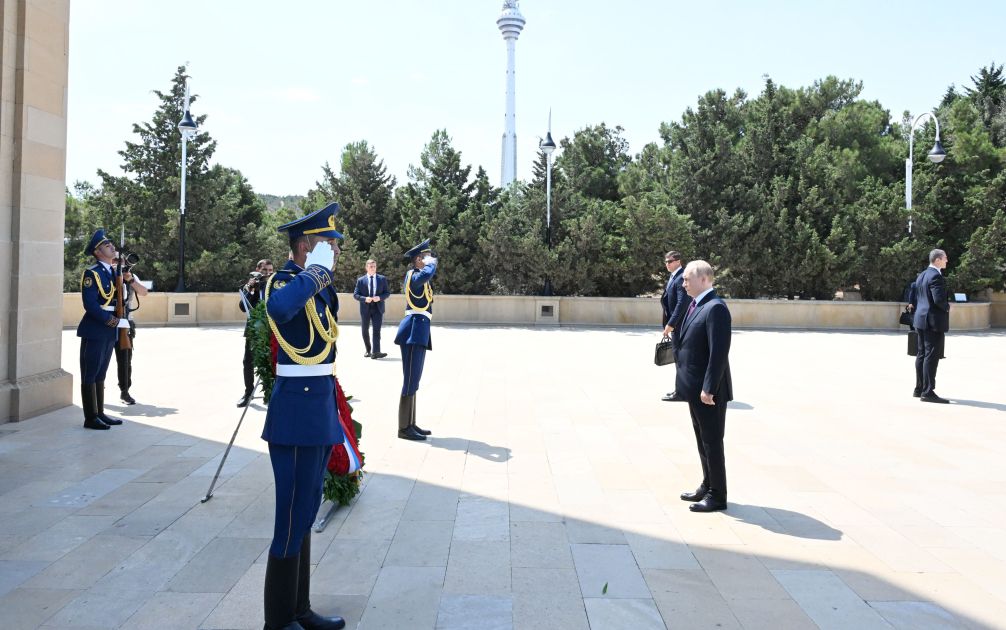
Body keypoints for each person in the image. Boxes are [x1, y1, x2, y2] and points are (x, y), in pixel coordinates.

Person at [260, 203, 346, 630]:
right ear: (307, 246)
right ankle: (277, 622)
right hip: (295, 408)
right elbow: (279, 310)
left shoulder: (316, 284)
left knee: (307, 508)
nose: (335, 252)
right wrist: (314, 272)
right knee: (290, 515)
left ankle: (299, 609)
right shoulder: (286, 279)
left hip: (318, 404)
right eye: (328, 244)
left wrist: (318, 277)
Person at [675, 260, 733, 513]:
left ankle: (718, 495)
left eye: (687, 279)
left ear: (704, 279)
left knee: (712, 441)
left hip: (708, 392)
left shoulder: (716, 308)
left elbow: (718, 353)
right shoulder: (697, 304)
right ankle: (707, 485)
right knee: (702, 441)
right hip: (695, 390)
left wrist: (708, 388)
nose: (683, 283)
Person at [76, 229, 133, 430]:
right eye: (107, 245)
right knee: (90, 373)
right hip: (95, 328)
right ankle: (90, 417)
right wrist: (112, 321)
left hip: (110, 330)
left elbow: (120, 300)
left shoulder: (114, 272)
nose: (112, 246)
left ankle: (99, 413)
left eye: (111, 244)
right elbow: (90, 305)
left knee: (101, 373)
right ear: (98, 252)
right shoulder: (92, 273)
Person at [394, 239, 437, 441]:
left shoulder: (419, 277)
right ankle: (403, 428)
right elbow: (427, 273)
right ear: (418, 259)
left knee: (415, 378)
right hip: (413, 330)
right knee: (410, 379)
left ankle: (411, 423)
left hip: (419, 329)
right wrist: (432, 263)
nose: (429, 259)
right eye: (425, 257)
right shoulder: (415, 276)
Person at [912, 249, 951, 403]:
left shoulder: (922, 275)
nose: (947, 260)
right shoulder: (936, 276)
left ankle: (919, 388)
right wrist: (947, 307)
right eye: (945, 258)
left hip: (920, 320)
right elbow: (938, 299)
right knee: (931, 356)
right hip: (932, 322)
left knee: (921, 354)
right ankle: (928, 392)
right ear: (937, 260)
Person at [237, 258, 274, 407]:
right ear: (258, 270)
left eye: (270, 271)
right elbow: (242, 306)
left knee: (272, 361)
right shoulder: (251, 286)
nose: (267, 274)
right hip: (254, 330)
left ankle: (271, 393)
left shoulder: (274, 286)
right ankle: (248, 393)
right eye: (265, 270)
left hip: (271, 329)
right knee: (248, 362)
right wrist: (250, 289)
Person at [113, 264, 149, 405]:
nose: (119, 263)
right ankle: (97, 388)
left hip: (126, 323)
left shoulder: (130, 276)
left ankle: (125, 391)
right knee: (100, 359)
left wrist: (130, 280)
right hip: (106, 322)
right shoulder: (104, 274)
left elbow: (144, 292)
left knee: (125, 360)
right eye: (115, 259)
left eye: (121, 260)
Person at [660, 250, 688, 402]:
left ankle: (681, 392)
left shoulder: (681, 277)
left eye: (669, 261)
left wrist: (671, 324)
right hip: (676, 325)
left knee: (680, 359)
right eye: (665, 262)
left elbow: (682, 303)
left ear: (678, 261)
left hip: (679, 325)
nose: (667, 264)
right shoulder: (673, 276)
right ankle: (680, 390)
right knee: (679, 359)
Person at [352, 259, 391, 359]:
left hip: (378, 308)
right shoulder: (361, 280)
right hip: (365, 308)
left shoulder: (382, 279)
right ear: (366, 268)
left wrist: (380, 297)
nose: (372, 268)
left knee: (376, 330)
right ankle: (368, 350)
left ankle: (376, 352)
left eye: (374, 266)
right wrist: (365, 299)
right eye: (370, 266)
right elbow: (355, 295)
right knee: (365, 330)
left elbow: (387, 293)